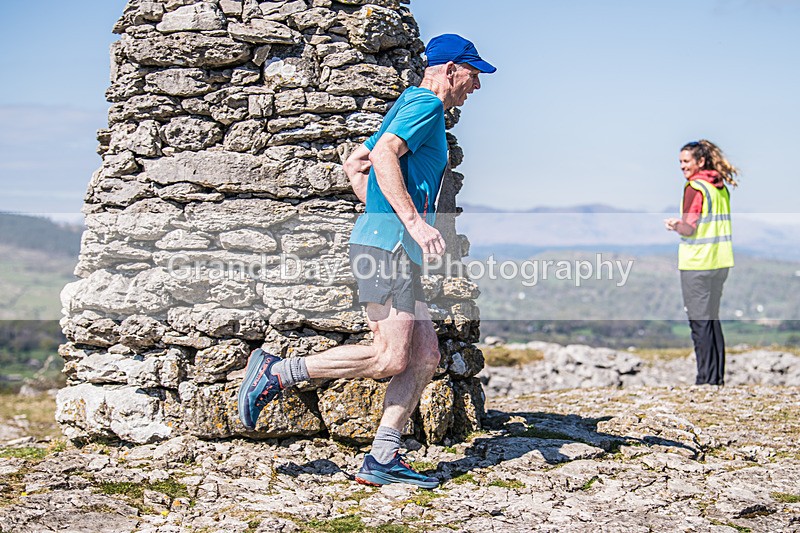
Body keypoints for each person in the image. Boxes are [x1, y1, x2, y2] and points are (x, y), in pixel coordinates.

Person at [238, 34, 496, 488]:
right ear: (451, 69)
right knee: (389, 357)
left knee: (425, 355)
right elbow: (381, 155)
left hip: (392, 247)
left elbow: (355, 163)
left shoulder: (410, 103)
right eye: (473, 75)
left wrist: (379, 209)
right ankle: (277, 373)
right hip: (388, 249)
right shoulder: (426, 105)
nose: (476, 86)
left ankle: (382, 458)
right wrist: (411, 223)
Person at [664, 140, 739, 386]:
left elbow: (689, 228)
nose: (682, 166)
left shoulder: (695, 188)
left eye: (686, 161)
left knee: (700, 323)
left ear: (701, 161)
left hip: (697, 264)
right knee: (712, 320)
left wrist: (676, 225)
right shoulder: (719, 188)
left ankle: (704, 381)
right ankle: (716, 379)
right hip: (720, 262)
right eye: (680, 162)